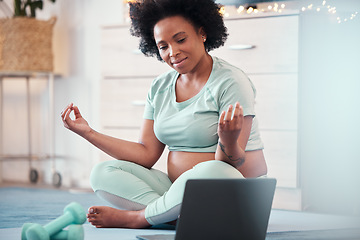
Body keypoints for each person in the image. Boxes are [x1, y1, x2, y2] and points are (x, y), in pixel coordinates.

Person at [61, 0, 267, 229]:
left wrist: (228, 140)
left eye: (180, 40)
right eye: (163, 46)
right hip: (176, 190)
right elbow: (146, 153)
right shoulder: (160, 87)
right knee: (103, 172)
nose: (173, 52)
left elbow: (232, 164)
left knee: (214, 169)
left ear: (202, 33)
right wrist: (88, 133)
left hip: (232, 190)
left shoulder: (231, 81)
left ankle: (140, 218)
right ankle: (173, 216)